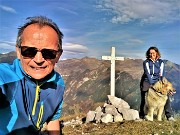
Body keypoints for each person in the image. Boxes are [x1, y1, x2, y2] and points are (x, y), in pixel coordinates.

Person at [0, 16, 65, 135]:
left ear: (58, 56)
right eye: (29, 51)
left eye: (49, 53)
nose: (39, 59)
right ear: (19, 52)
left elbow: (53, 117)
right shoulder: (5, 78)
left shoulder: (58, 83)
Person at [139, 46, 175, 121]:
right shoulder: (146, 62)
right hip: (147, 80)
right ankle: (142, 115)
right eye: (150, 53)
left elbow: (162, 74)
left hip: (157, 81)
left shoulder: (161, 62)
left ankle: (169, 116)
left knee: (165, 96)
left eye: (153, 53)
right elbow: (147, 73)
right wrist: (151, 83)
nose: (152, 54)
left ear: (157, 53)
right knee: (145, 97)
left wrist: (164, 85)